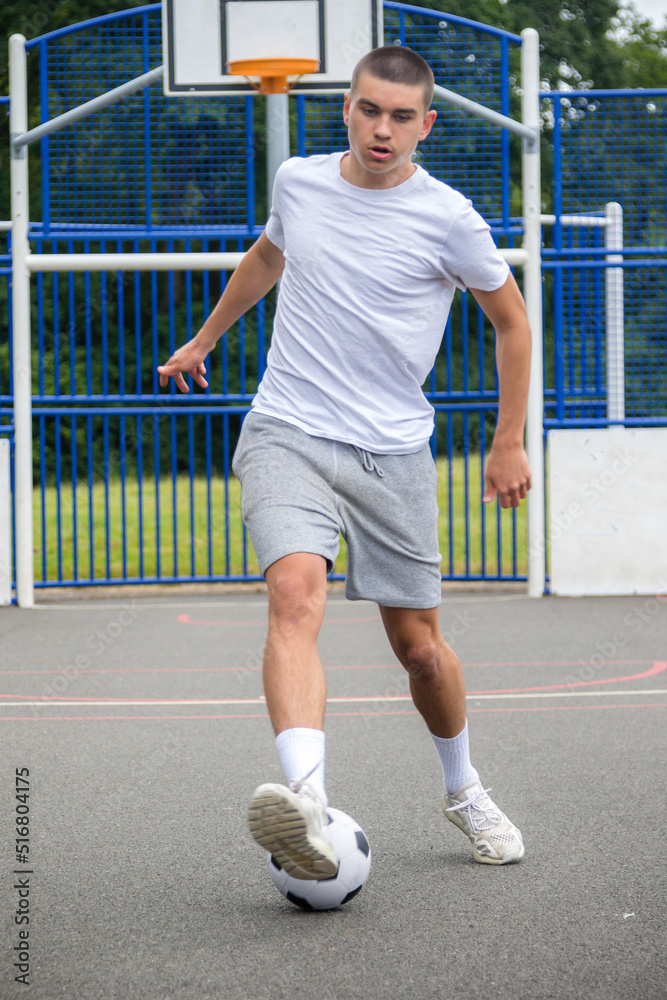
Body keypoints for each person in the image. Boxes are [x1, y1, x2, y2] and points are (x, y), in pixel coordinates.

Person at [157, 45, 532, 877]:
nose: (383, 129)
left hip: (392, 451)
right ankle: (308, 806)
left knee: (419, 649)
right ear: (347, 110)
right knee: (293, 591)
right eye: (369, 109)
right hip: (286, 426)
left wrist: (506, 440)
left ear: (425, 125)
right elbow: (267, 256)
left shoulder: (449, 218)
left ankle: (462, 787)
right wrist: (204, 338)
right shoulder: (299, 182)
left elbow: (512, 323)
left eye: (402, 116)